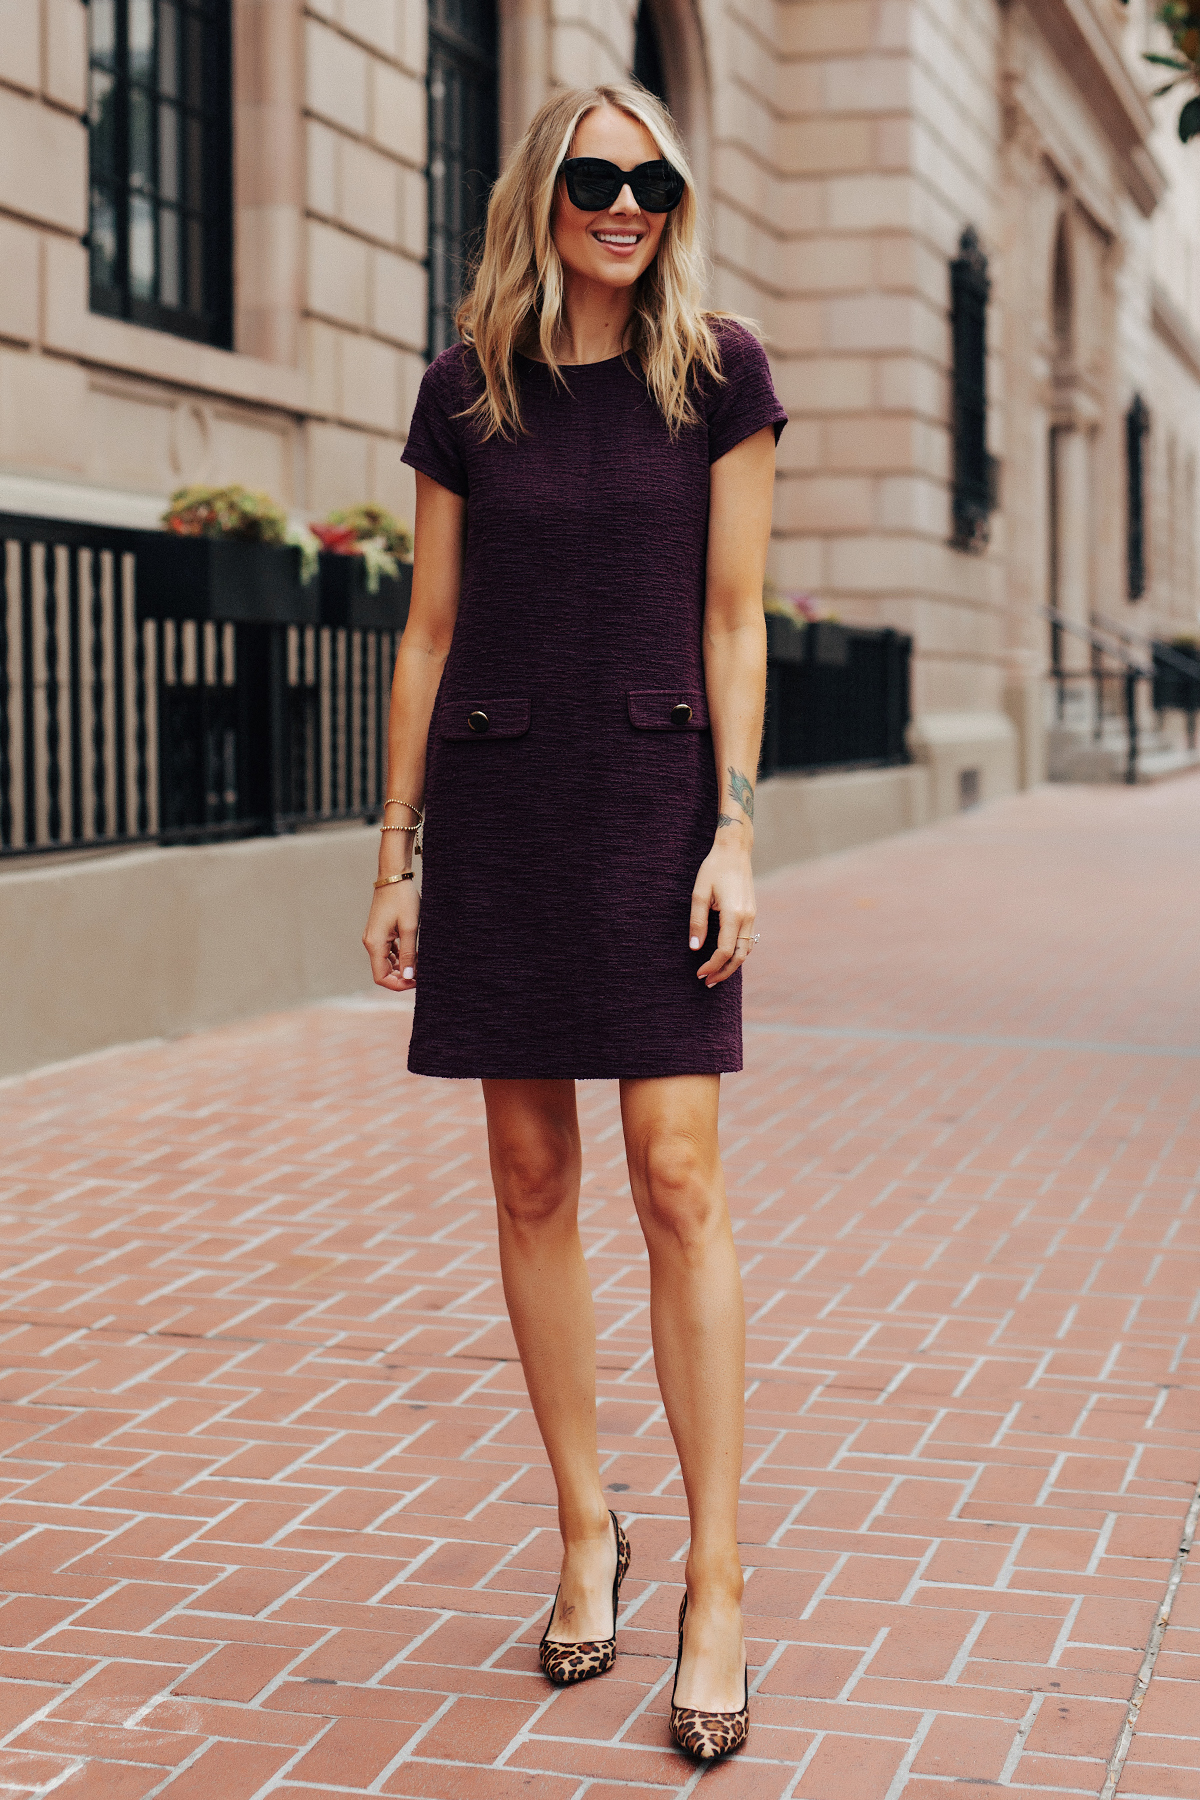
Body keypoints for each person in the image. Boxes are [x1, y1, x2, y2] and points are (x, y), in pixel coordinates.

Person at [363, 80, 785, 1762]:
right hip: (500, 811)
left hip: (658, 805)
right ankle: (581, 1526)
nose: (628, 202)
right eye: (598, 176)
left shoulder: (718, 374)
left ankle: (720, 1579)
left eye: (654, 178)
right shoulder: (465, 391)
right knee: (530, 1177)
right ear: (544, 191)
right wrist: (395, 852)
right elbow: (427, 628)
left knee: (676, 1176)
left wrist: (738, 832)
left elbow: (737, 621)